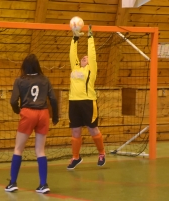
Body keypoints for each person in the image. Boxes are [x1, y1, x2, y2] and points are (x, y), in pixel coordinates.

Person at [5, 53, 59, 194]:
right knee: (40, 150)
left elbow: (12, 100)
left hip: (28, 112)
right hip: (43, 113)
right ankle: (43, 184)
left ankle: (12, 183)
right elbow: (53, 99)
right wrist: (55, 117)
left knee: (18, 149)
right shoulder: (45, 79)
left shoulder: (20, 80)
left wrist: (18, 110)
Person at [67, 25, 106, 170]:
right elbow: (72, 54)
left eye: (87, 57)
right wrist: (75, 38)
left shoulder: (92, 69)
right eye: (83, 57)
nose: (85, 57)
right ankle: (76, 157)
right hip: (73, 102)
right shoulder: (75, 68)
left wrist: (90, 37)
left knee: (92, 129)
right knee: (75, 131)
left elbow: (92, 54)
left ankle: (101, 153)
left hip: (88, 102)